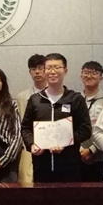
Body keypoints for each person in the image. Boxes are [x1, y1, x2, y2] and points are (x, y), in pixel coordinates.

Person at [21, 53, 91, 183]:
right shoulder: (35, 100)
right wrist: (31, 144)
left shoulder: (75, 99)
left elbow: (85, 129)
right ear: (44, 71)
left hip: (70, 166)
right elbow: (25, 128)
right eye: (49, 68)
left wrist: (66, 142)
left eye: (57, 67)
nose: (53, 72)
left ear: (65, 71)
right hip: (41, 166)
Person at [78, 61, 103, 183]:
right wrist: (79, 149)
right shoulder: (73, 100)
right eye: (86, 72)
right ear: (81, 76)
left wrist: (92, 149)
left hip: (101, 157)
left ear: (101, 78)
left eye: (94, 73)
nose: (89, 76)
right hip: (77, 156)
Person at [15, 54, 47, 184]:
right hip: (28, 148)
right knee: (26, 185)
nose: (37, 72)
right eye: (33, 69)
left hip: (51, 147)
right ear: (30, 72)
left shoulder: (55, 94)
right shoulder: (22, 97)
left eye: (40, 68)